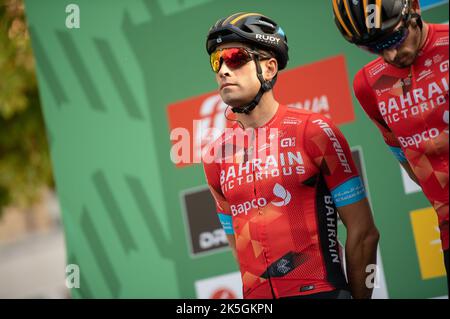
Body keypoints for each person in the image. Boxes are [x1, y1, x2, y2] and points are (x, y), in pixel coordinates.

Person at [202, 12, 379, 299]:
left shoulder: (313, 130)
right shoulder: (215, 156)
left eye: (235, 58)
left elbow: (364, 232)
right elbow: (238, 247)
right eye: (216, 61)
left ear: (269, 68)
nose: (223, 70)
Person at [332, 0, 449, 290]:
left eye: (394, 38)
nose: (391, 53)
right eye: (374, 47)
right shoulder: (368, 84)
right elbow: (408, 161)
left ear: (415, 10)